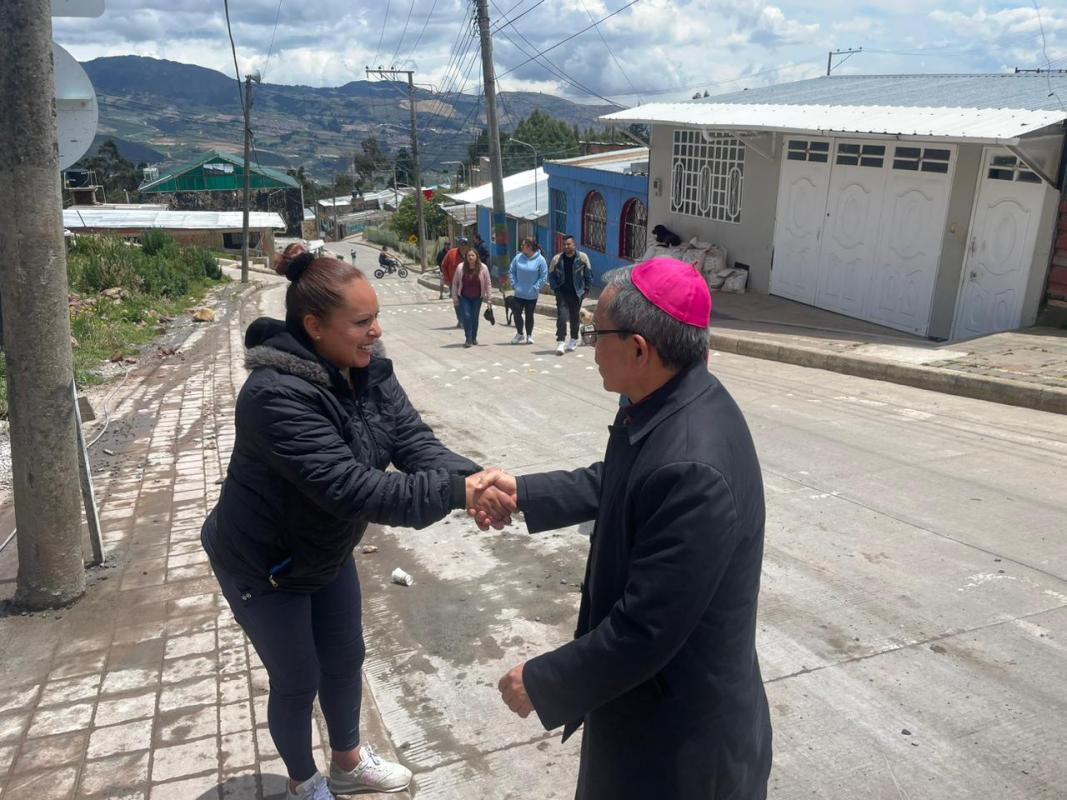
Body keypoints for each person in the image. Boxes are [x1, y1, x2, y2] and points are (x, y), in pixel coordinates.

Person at [201, 243, 513, 800]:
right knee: (298, 678)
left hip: (324, 549)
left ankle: (347, 765)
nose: (376, 332)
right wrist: (456, 493)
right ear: (314, 326)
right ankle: (303, 783)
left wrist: (474, 480)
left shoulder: (366, 371)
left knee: (345, 659)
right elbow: (351, 487)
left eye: (377, 318)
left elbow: (413, 440)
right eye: (362, 322)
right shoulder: (273, 395)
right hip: (263, 563)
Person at [469, 257, 773, 800]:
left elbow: (646, 628)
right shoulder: (672, 402)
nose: (589, 346)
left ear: (639, 349)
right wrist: (524, 492)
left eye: (596, 333)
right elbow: (620, 479)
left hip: (679, 746)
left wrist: (543, 681)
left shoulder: (692, 465)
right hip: (646, 712)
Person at [548, 234, 593, 356]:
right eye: (564, 244)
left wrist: (586, 289)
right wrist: (556, 288)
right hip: (562, 293)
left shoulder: (582, 257)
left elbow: (588, 274)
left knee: (574, 317)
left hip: (577, 293)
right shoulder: (557, 259)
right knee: (562, 317)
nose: (566, 246)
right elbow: (551, 275)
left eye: (568, 244)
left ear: (574, 244)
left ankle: (573, 339)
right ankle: (561, 341)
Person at [507, 237, 548, 345]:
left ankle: (529, 335)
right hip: (519, 293)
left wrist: (536, 287)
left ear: (529, 247)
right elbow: (511, 271)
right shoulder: (518, 258)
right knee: (516, 313)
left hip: (532, 294)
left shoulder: (540, 260)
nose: (521, 247)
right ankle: (520, 334)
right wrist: (514, 284)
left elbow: (543, 276)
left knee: (529, 314)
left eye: (523, 245)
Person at [452, 246, 491, 348]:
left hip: (478, 297)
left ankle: (474, 337)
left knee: (474, 317)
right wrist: (455, 298)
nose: (470, 257)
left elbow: (488, 283)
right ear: (466, 257)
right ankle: (468, 339)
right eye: (468, 255)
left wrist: (489, 299)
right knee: (466, 316)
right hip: (464, 297)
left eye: (472, 255)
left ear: (476, 257)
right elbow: (455, 283)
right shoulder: (460, 267)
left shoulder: (483, 268)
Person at [439, 238, 470, 329]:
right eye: (461, 244)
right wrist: (447, 279)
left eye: (465, 245)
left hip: (468, 283)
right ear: (458, 245)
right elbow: (443, 265)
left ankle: (465, 320)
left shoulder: (471, 254)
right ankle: (461, 320)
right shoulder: (451, 253)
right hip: (454, 283)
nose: (463, 247)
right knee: (457, 302)